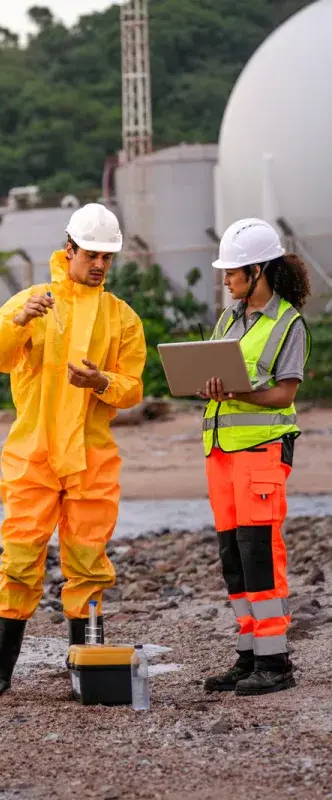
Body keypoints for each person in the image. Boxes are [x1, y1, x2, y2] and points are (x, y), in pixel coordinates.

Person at [0, 203, 147, 696]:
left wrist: (101, 382)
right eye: (91, 254)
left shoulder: (122, 318)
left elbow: (134, 388)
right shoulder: (32, 301)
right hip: (34, 455)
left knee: (89, 565)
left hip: (92, 457)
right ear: (69, 249)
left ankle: (87, 671)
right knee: (20, 559)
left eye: (106, 258)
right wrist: (17, 323)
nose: (98, 265)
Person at [200, 218, 312, 697]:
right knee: (232, 555)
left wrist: (240, 390)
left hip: (261, 451)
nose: (226, 279)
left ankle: (275, 662)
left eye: (233, 271)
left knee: (259, 549)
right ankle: (248, 657)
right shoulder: (229, 318)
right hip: (221, 450)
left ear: (260, 269)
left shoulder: (289, 323)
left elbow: (284, 394)